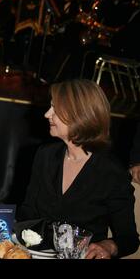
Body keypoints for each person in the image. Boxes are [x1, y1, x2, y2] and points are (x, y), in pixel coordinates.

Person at [18, 79, 139, 258]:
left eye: (55, 109)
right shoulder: (45, 155)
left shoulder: (111, 172)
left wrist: (108, 245)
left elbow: (129, 239)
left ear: (80, 115)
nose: (47, 114)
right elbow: (27, 214)